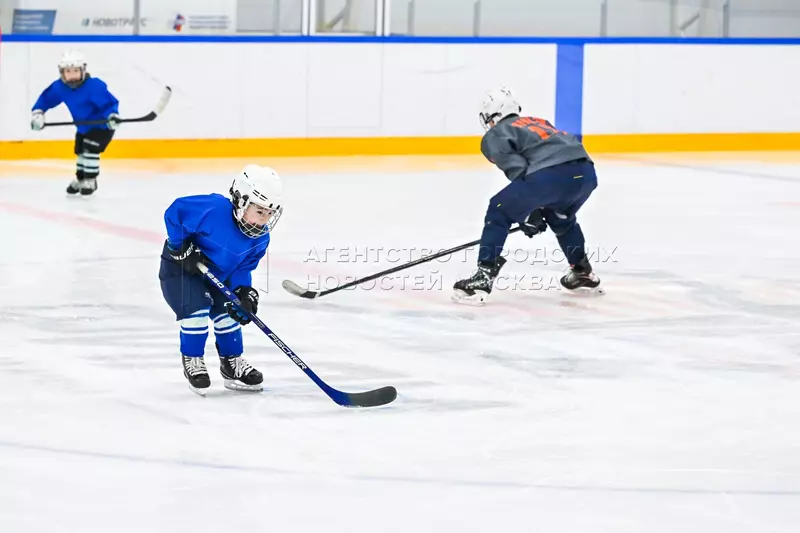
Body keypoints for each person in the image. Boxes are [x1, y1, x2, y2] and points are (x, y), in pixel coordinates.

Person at [452, 86, 602, 306]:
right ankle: (582, 272)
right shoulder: (538, 122)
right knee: (561, 218)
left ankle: (483, 277)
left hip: (551, 176)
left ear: (491, 116)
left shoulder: (496, 133)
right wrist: (538, 210)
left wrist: (529, 210)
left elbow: (519, 170)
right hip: (585, 174)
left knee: (499, 208)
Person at [159, 165, 285, 395]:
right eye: (259, 212)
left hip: (218, 275)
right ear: (241, 201)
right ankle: (193, 360)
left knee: (230, 311)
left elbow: (242, 268)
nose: (264, 220)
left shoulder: (260, 239)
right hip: (181, 270)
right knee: (196, 311)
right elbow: (175, 212)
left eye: (269, 213)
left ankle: (231, 363)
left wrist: (243, 292)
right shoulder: (214, 209)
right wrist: (179, 247)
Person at [30, 50, 120, 196]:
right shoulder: (60, 87)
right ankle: (80, 178)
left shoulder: (94, 86)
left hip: (102, 126)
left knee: (90, 150)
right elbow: (46, 99)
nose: (72, 75)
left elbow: (108, 104)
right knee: (80, 152)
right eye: (68, 71)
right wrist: (38, 113)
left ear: (83, 70)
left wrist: (112, 115)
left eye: (75, 71)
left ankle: (90, 180)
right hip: (83, 127)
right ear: (62, 72)